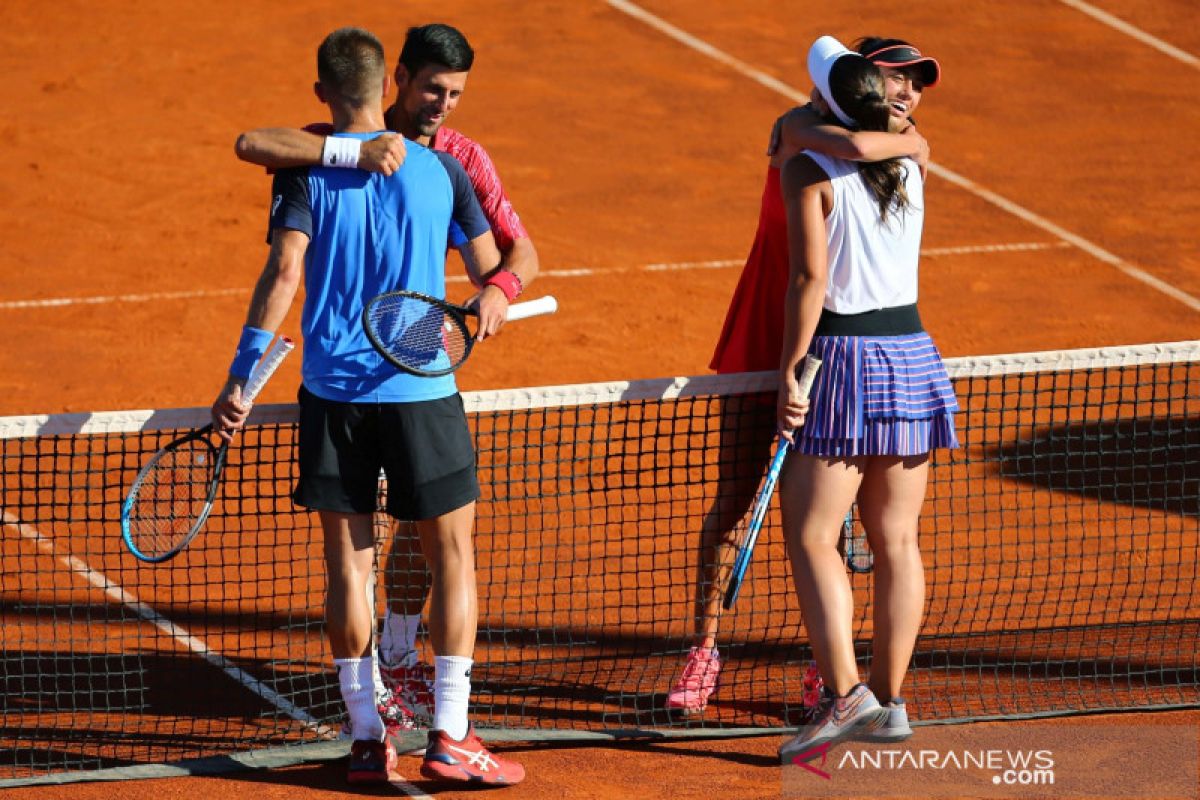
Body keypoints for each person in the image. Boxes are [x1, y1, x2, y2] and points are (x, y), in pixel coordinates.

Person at [211, 26, 525, 786]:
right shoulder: (442, 172)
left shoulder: (304, 171)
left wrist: (241, 378)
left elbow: (285, 273)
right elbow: (492, 265)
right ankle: (451, 735)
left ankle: (363, 738)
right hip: (424, 393)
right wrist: (492, 297)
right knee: (453, 559)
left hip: (334, 397)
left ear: (324, 92)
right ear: (390, 84)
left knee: (347, 570)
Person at [666, 35, 941, 717]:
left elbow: (866, 155)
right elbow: (852, 145)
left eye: (916, 85)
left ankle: (836, 677)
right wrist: (906, 142)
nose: (906, 95)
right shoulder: (801, 132)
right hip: (770, 328)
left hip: (834, 339)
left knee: (837, 521)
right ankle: (705, 649)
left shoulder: (889, 150)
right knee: (738, 493)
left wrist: (904, 141)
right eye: (892, 80)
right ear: (855, 84)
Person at [774, 36, 958, 762]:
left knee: (816, 534)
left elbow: (808, 284)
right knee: (897, 542)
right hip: (913, 358)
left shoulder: (806, 168)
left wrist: (792, 370)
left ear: (822, 102)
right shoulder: (912, 159)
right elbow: (886, 136)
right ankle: (891, 702)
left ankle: (847, 694)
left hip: (844, 359)